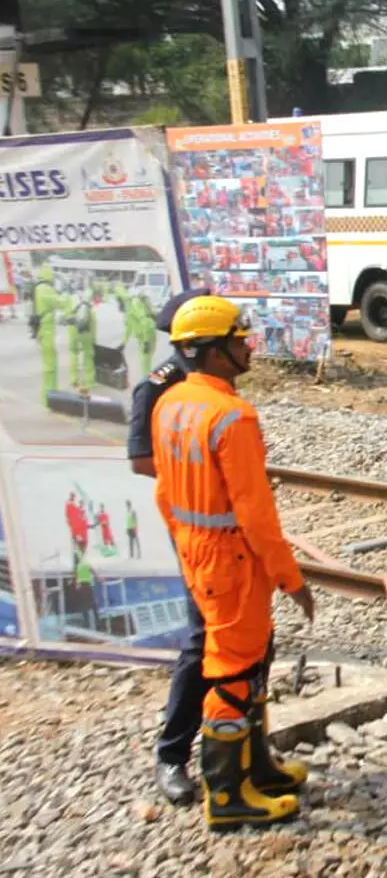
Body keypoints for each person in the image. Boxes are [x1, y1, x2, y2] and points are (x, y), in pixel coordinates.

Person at [152, 294, 316, 830]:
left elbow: (163, 494)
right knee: (233, 674)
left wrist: (188, 548)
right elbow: (256, 514)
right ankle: (227, 794)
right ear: (213, 350)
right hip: (233, 562)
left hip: (197, 554)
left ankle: (257, 767)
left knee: (250, 663)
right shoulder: (232, 416)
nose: (247, 347)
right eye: (239, 339)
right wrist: (290, 579)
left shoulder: (169, 403)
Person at [126, 286, 212, 806]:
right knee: (202, 641)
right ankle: (172, 754)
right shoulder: (160, 386)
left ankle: (240, 749)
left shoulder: (213, 381)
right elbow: (141, 458)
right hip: (196, 533)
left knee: (249, 642)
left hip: (229, 533)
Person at [30, 264, 61, 404]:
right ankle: (50, 396)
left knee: (49, 362)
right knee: (50, 364)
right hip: (46, 328)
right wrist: (70, 299)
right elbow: (56, 302)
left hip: (42, 328)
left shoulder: (37, 287)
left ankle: (50, 394)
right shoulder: (45, 288)